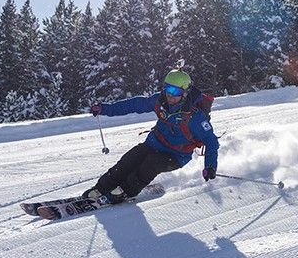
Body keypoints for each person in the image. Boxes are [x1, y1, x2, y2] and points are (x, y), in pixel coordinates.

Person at [87, 69, 219, 204]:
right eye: (167, 89)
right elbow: (133, 105)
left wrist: (210, 166)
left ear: (185, 93)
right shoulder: (160, 101)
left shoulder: (194, 116)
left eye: (175, 92)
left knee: (151, 163)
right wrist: (105, 109)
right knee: (130, 159)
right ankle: (100, 188)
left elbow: (211, 141)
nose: (170, 95)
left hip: (177, 155)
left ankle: (126, 191)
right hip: (154, 144)